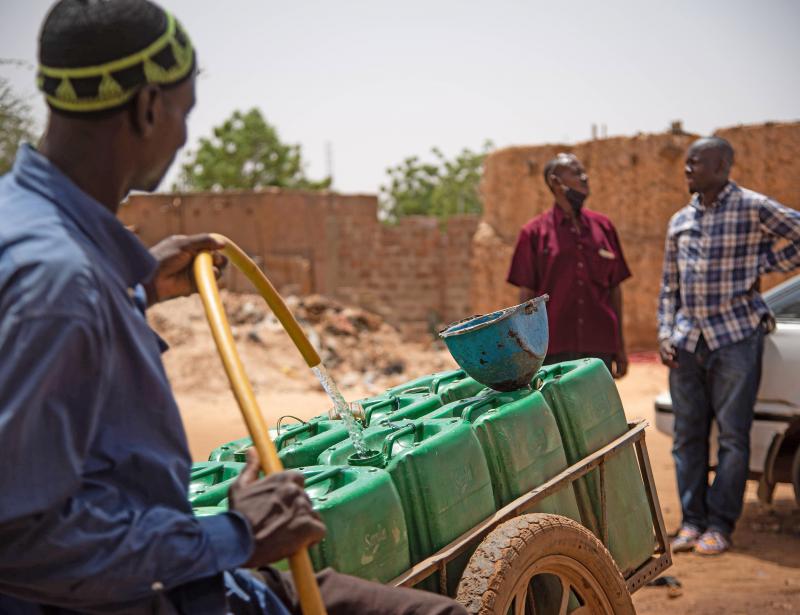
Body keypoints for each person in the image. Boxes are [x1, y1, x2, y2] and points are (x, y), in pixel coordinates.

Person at [0, 1, 466, 614]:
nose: (184, 136)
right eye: (185, 111)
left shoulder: (29, 231)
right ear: (148, 108)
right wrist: (237, 536)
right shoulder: (60, 282)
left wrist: (138, 288)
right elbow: (18, 538)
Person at [658, 136, 800, 555]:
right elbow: (668, 287)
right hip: (687, 342)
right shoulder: (679, 220)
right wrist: (664, 334)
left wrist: (764, 262)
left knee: (733, 438)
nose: (687, 169)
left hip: (736, 339)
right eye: (687, 162)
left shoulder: (753, 207)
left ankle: (719, 525)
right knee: (687, 438)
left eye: (696, 162)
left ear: (721, 166)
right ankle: (691, 522)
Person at [506, 152, 631, 378]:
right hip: (553, 348)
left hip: (599, 345)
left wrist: (620, 346)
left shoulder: (604, 227)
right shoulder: (533, 233)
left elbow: (615, 289)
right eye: (576, 172)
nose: (585, 177)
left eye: (584, 172)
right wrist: (528, 350)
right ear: (555, 182)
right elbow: (526, 297)